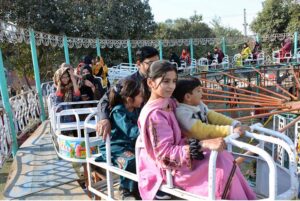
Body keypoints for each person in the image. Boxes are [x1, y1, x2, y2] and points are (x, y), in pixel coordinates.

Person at [137, 60, 256, 200]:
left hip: (181, 156)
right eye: (166, 81)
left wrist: (232, 125)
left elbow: (207, 115)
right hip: (168, 168)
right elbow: (165, 155)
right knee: (221, 166)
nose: (171, 86)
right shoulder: (155, 115)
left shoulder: (170, 102)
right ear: (151, 83)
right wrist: (203, 144)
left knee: (223, 158)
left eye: (174, 81)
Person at [96, 46, 172, 200]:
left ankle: (155, 185)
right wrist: (104, 118)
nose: (154, 67)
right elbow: (105, 100)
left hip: (149, 132)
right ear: (139, 64)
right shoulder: (128, 84)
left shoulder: (162, 80)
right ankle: (127, 190)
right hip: (131, 139)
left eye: (157, 63)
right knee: (134, 160)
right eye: (150, 63)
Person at [96, 79, 143, 200]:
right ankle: (125, 189)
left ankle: (139, 187)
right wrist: (147, 133)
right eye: (140, 95)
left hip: (131, 145)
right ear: (129, 98)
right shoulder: (118, 111)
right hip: (115, 147)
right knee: (131, 160)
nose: (142, 98)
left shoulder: (137, 109)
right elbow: (130, 131)